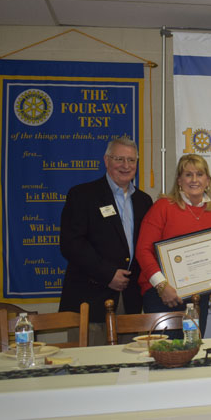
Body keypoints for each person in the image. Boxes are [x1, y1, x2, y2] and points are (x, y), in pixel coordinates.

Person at [59, 136, 153, 345]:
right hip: (90, 300)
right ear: (106, 160)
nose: (126, 165)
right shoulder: (82, 195)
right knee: (90, 363)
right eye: (119, 159)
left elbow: (147, 247)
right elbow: (71, 244)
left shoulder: (144, 201)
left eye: (131, 160)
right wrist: (107, 274)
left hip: (130, 302)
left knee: (130, 363)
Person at [135, 154, 211, 338]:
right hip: (162, 296)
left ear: (208, 181)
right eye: (188, 175)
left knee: (192, 348)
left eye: (199, 174)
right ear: (179, 181)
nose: (194, 179)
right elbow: (143, 250)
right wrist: (162, 286)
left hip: (198, 298)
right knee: (164, 351)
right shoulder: (163, 207)